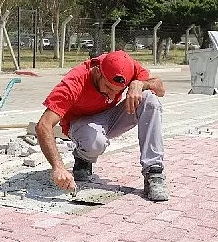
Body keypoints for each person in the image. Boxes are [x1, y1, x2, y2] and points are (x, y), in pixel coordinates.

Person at [35, 50, 169, 201]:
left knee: (150, 100)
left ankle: (154, 172)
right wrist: (58, 167)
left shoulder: (125, 65)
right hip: (81, 124)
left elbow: (161, 89)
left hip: (110, 116)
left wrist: (141, 84)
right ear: (98, 72)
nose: (112, 95)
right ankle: (83, 158)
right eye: (109, 88)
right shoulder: (74, 82)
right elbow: (43, 125)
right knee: (95, 142)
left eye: (117, 90)